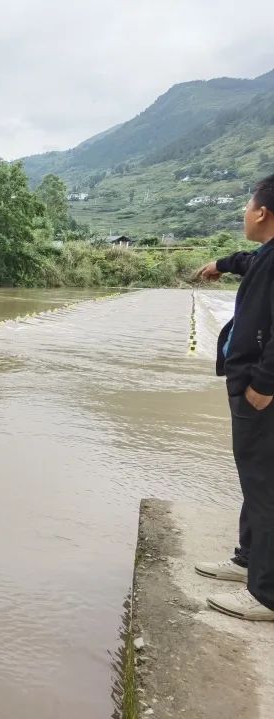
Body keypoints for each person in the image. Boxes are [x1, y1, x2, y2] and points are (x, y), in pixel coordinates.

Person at [194, 174, 274, 621]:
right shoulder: (267, 256)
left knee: (266, 487)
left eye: (247, 206)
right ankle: (248, 561)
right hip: (249, 388)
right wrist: (221, 264)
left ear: (261, 212)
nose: (244, 213)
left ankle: (266, 594)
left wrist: (262, 387)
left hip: (260, 392)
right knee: (255, 479)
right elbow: (250, 260)